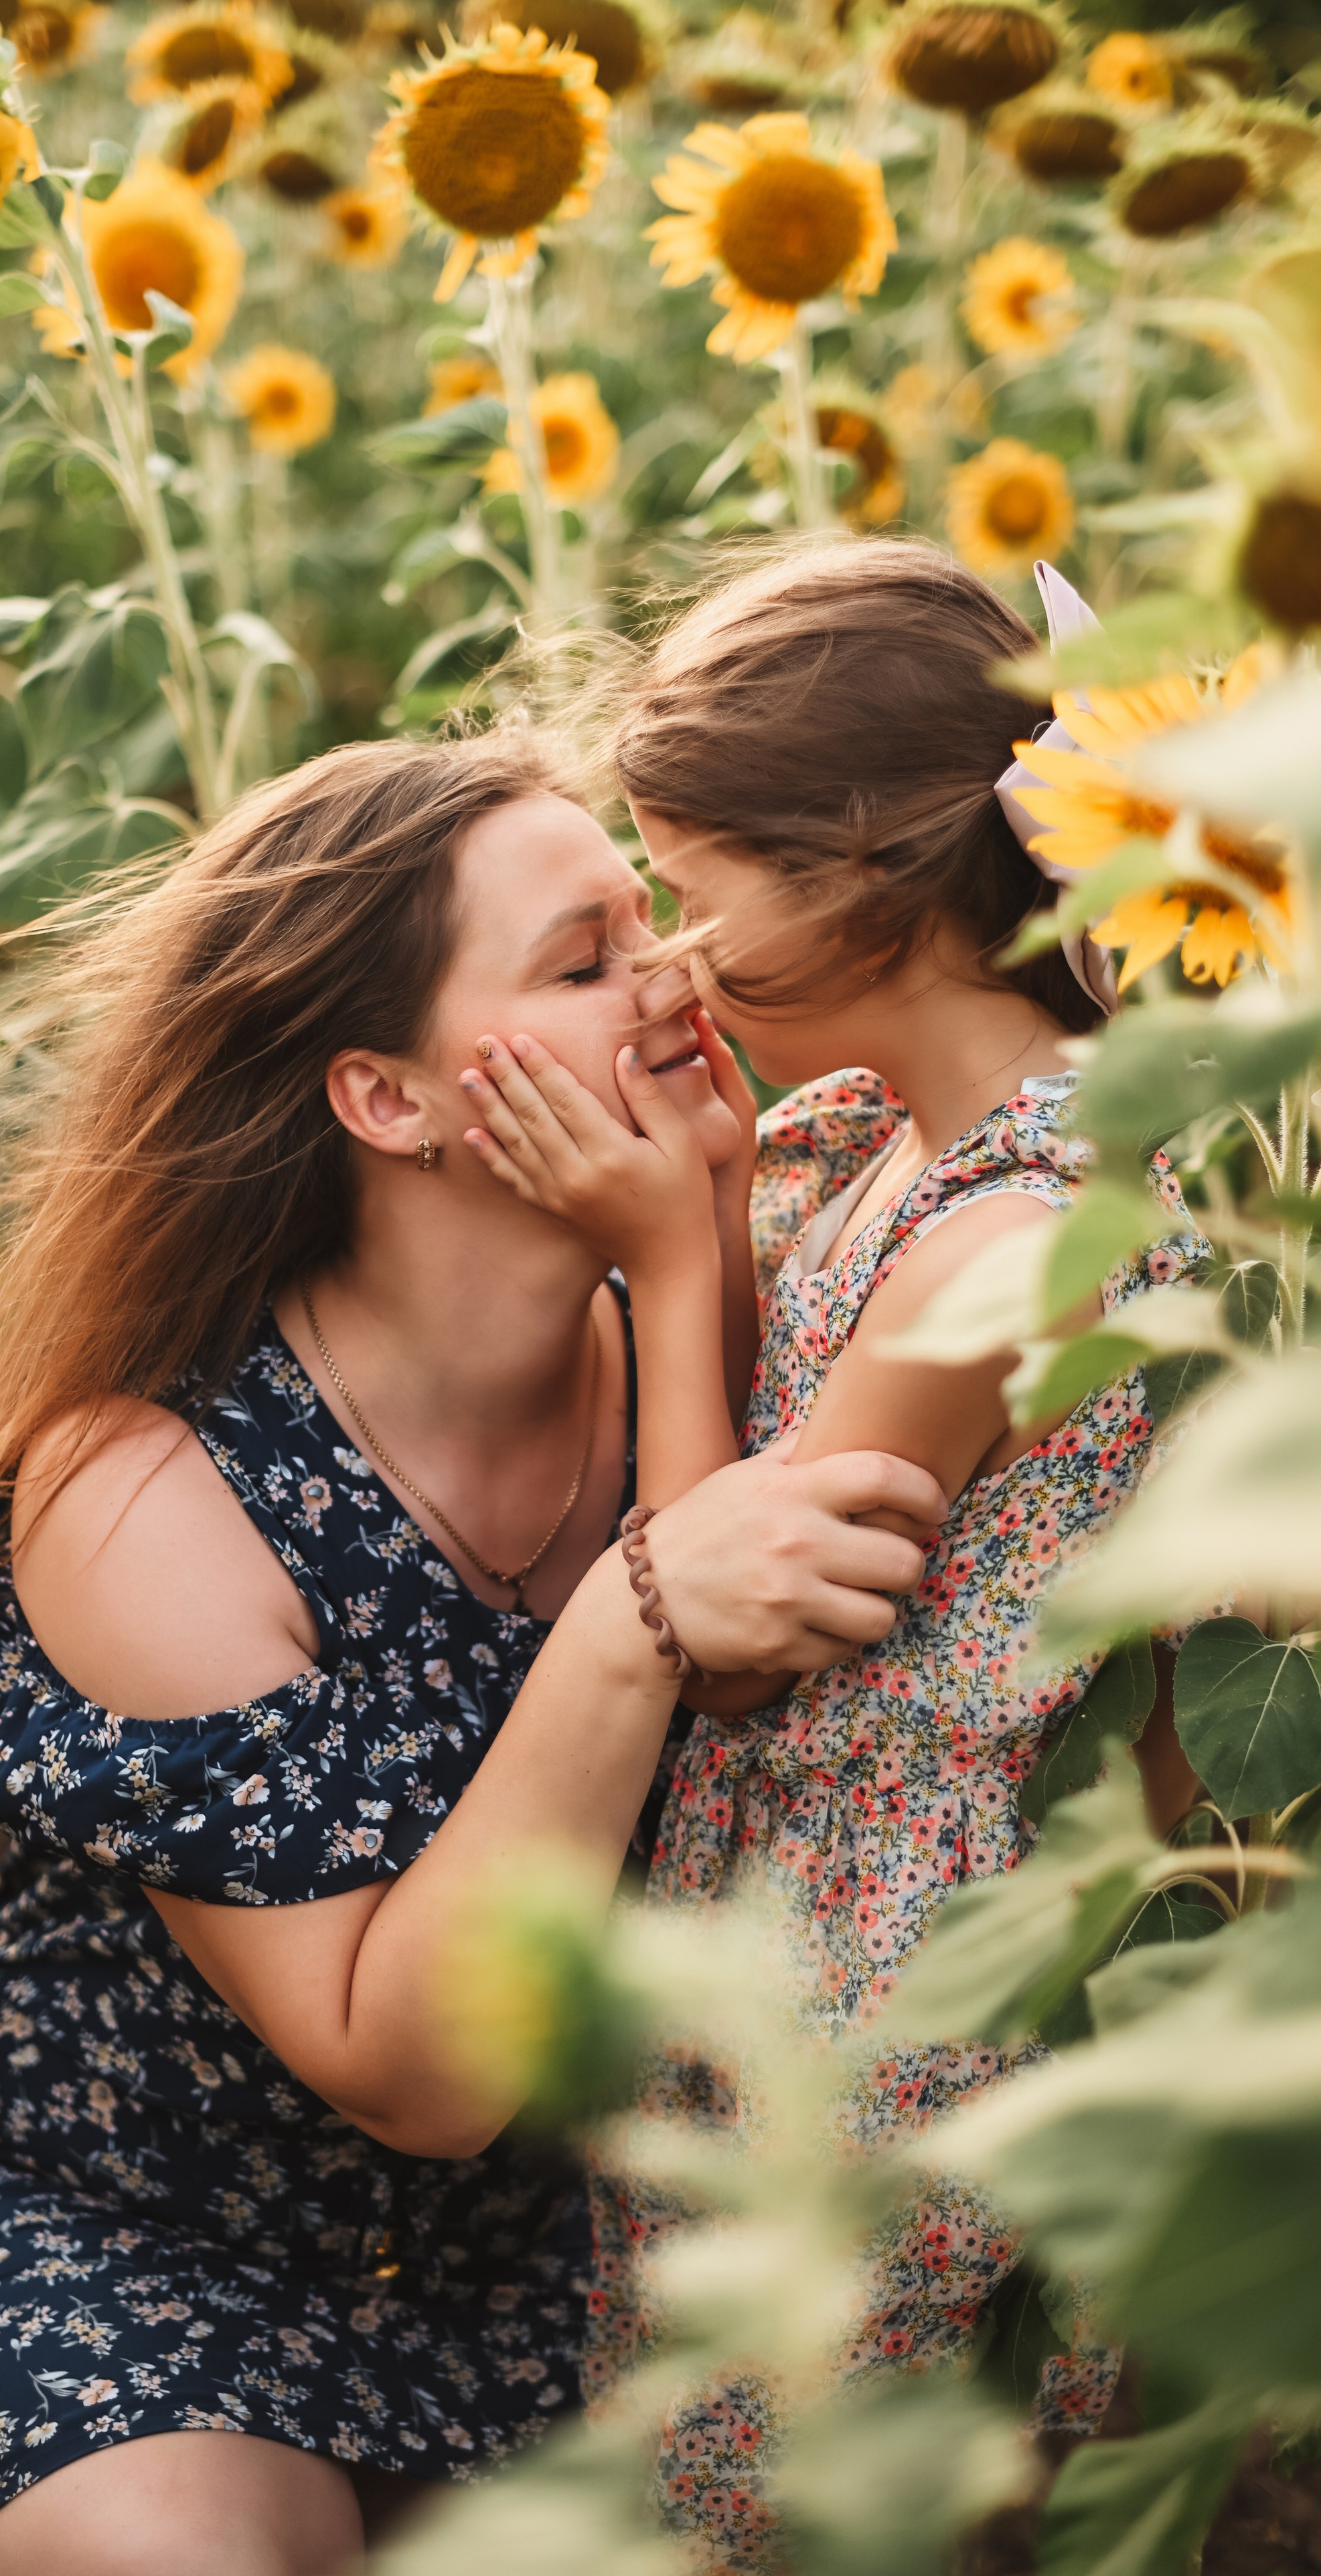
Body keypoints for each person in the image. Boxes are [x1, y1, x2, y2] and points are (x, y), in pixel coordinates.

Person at [0, 728, 946, 2576]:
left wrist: (687, 1265)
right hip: (132, 2223)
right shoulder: (147, 1479)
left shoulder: (718, 1326)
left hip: (544, 2268)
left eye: (648, 923)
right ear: (388, 1099)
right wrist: (631, 1617)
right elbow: (407, 2068)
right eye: (582, 964)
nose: (673, 974)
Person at [457, 538, 1208, 2566]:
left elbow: (735, 1625)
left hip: (888, 1968)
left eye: (693, 891)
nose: (675, 954)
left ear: (872, 869)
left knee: (803, 2481)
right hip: (814, 1892)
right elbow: (758, 1460)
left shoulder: (1001, 1243)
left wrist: (657, 1240)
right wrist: (709, 1186)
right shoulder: (903, 1133)